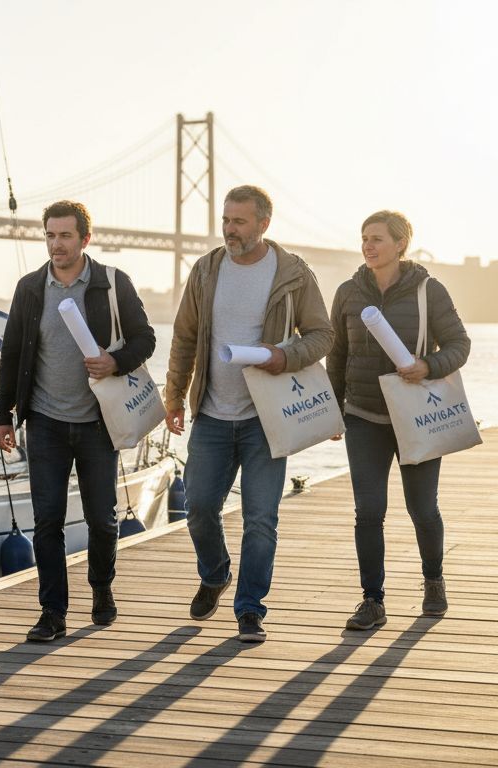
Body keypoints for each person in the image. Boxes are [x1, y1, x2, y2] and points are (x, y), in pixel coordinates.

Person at [164, 185, 333, 643]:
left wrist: (282, 355)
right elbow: (183, 337)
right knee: (198, 508)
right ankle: (215, 573)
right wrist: (174, 395)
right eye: (225, 220)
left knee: (261, 517)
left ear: (263, 223)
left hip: (267, 418)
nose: (229, 230)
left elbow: (321, 335)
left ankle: (250, 609)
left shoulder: (293, 274)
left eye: (239, 221)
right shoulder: (206, 269)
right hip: (213, 415)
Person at [0, 200, 156, 642]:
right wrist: (3, 415)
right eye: (50, 234)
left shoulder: (110, 283)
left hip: (97, 422)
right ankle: (53, 613)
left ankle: (101, 589)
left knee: (102, 520)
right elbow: (12, 354)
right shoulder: (30, 288)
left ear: (85, 239)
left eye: (65, 235)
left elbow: (146, 338)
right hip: (44, 422)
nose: (56, 244)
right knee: (47, 520)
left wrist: (114, 361)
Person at [327, 210, 470, 630]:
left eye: (377, 239)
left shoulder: (429, 290)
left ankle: (433, 581)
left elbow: (460, 344)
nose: (368, 246)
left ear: (400, 244)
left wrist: (429, 365)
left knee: (423, 508)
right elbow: (336, 356)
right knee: (368, 511)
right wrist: (333, 408)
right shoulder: (349, 293)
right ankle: (372, 601)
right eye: (364, 238)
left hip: (418, 418)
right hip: (363, 417)